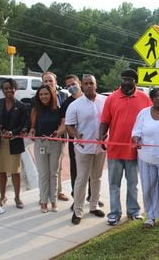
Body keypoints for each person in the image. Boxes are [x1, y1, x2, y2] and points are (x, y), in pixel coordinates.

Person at [99, 69, 152, 226]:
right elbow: (104, 120)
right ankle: (114, 213)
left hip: (134, 151)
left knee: (132, 183)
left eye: (130, 80)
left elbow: (150, 120)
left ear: (136, 82)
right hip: (115, 149)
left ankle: (133, 211)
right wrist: (102, 136)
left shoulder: (144, 98)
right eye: (124, 79)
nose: (126, 82)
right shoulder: (112, 98)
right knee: (114, 184)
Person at [65, 74, 107, 225]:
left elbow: (110, 120)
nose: (89, 86)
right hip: (83, 147)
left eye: (91, 83)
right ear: (82, 86)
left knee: (97, 177)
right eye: (86, 83)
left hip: (101, 147)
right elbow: (69, 125)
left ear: (96, 85)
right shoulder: (75, 105)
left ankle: (94, 206)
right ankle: (78, 210)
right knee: (81, 179)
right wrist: (76, 136)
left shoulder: (105, 101)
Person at [132, 88, 159, 228]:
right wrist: (136, 139)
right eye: (156, 96)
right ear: (151, 98)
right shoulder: (143, 113)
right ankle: (150, 217)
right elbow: (136, 132)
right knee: (148, 188)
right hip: (146, 157)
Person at [0, 78, 27, 209]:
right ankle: (2, 196)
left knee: (15, 171)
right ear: (2, 90)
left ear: (15, 89)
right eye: (6, 88)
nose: (8, 90)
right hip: (0, 142)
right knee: (1, 170)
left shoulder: (21, 106)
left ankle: (17, 197)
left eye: (11, 88)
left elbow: (23, 125)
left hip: (14, 142)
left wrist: (12, 132)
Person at [29, 85, 66, 213]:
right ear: (38, 97)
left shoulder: (59, 109)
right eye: (41, 95)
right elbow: (32, 127)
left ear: (51, 95)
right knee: (43, 174)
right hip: (40, 143)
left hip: (55, 143)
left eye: (46, 94)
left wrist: (58, 133)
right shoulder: (35, 110)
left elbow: (63, 125)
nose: (43, 97)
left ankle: (53, 200)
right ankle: (44, 201)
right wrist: (32, 132)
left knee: (53, 173)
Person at [41, 71, 70, 202]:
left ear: (55, 82)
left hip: (59, 136)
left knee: (57, 166)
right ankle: (45, 195)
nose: (48, 83)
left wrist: (59, 132)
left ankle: (58, 192)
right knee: (44, 169)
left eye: (50, 81)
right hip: (42, 138)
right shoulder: (39, 96)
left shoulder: (63, 96)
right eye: (45, 81)